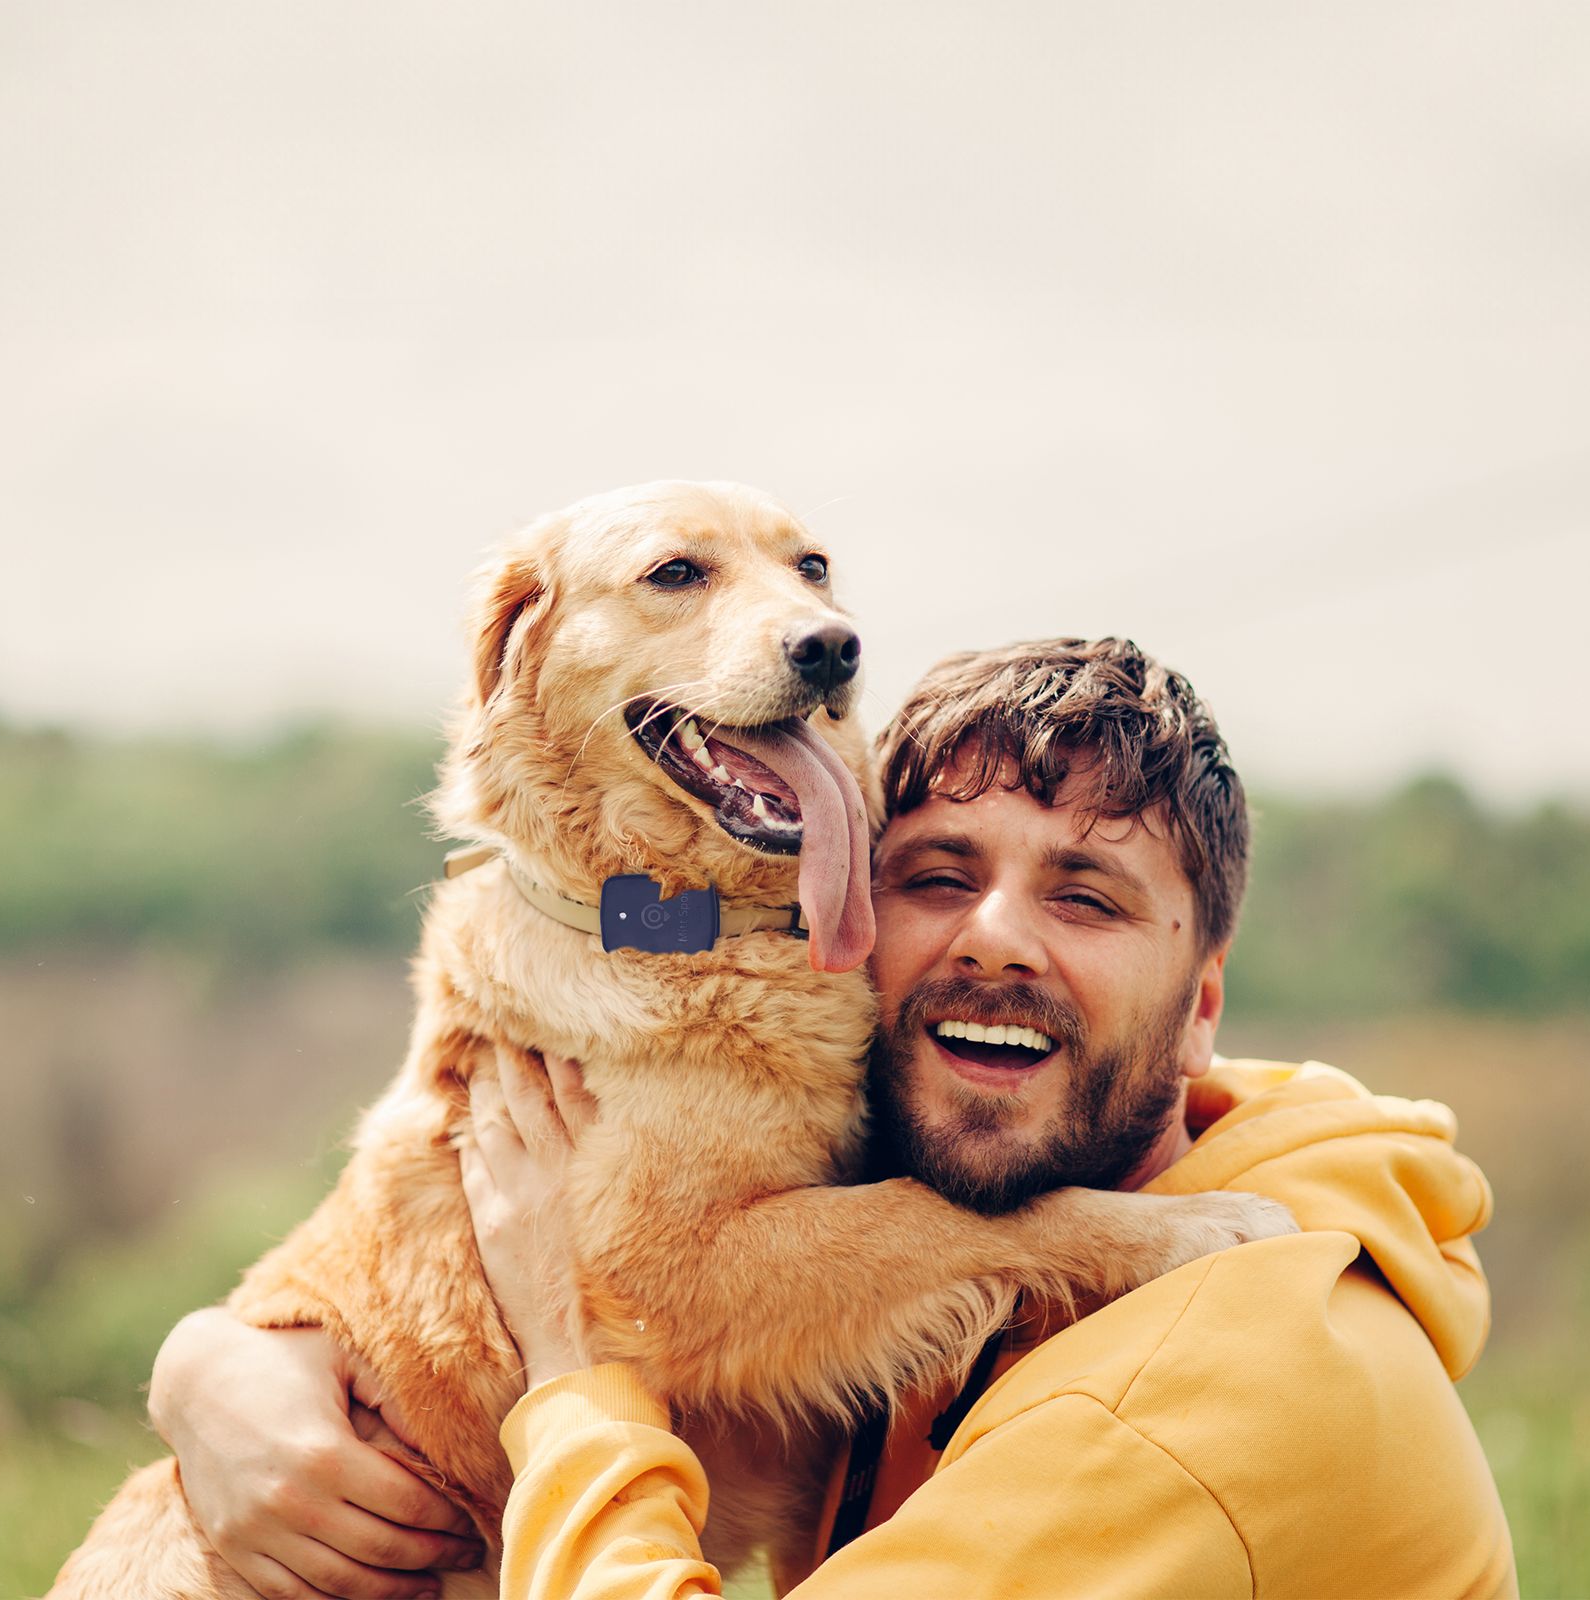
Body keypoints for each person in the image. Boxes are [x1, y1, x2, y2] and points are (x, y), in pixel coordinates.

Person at [150, 638, 1517, 1599]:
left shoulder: (1196, 1394)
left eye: (1086, 897)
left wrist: (574, 1374)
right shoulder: (960, 1177)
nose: (995, 940)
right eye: (937, 874)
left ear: (1203, 999)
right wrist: (215, 1366)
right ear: (837, 906)